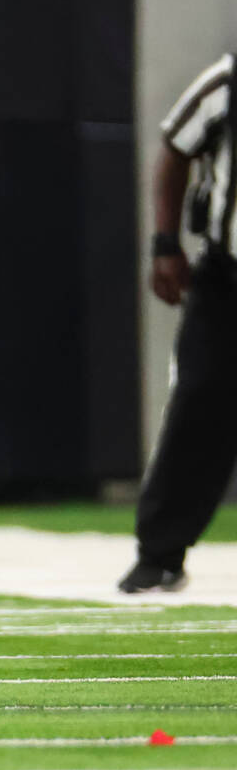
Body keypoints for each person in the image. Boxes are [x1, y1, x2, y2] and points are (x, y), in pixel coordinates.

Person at [120, 53, 237, 594]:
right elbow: (175, 146)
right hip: (228, 275)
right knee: (200, 399)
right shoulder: (226, 79)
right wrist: (165, 243)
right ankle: (160, 553)